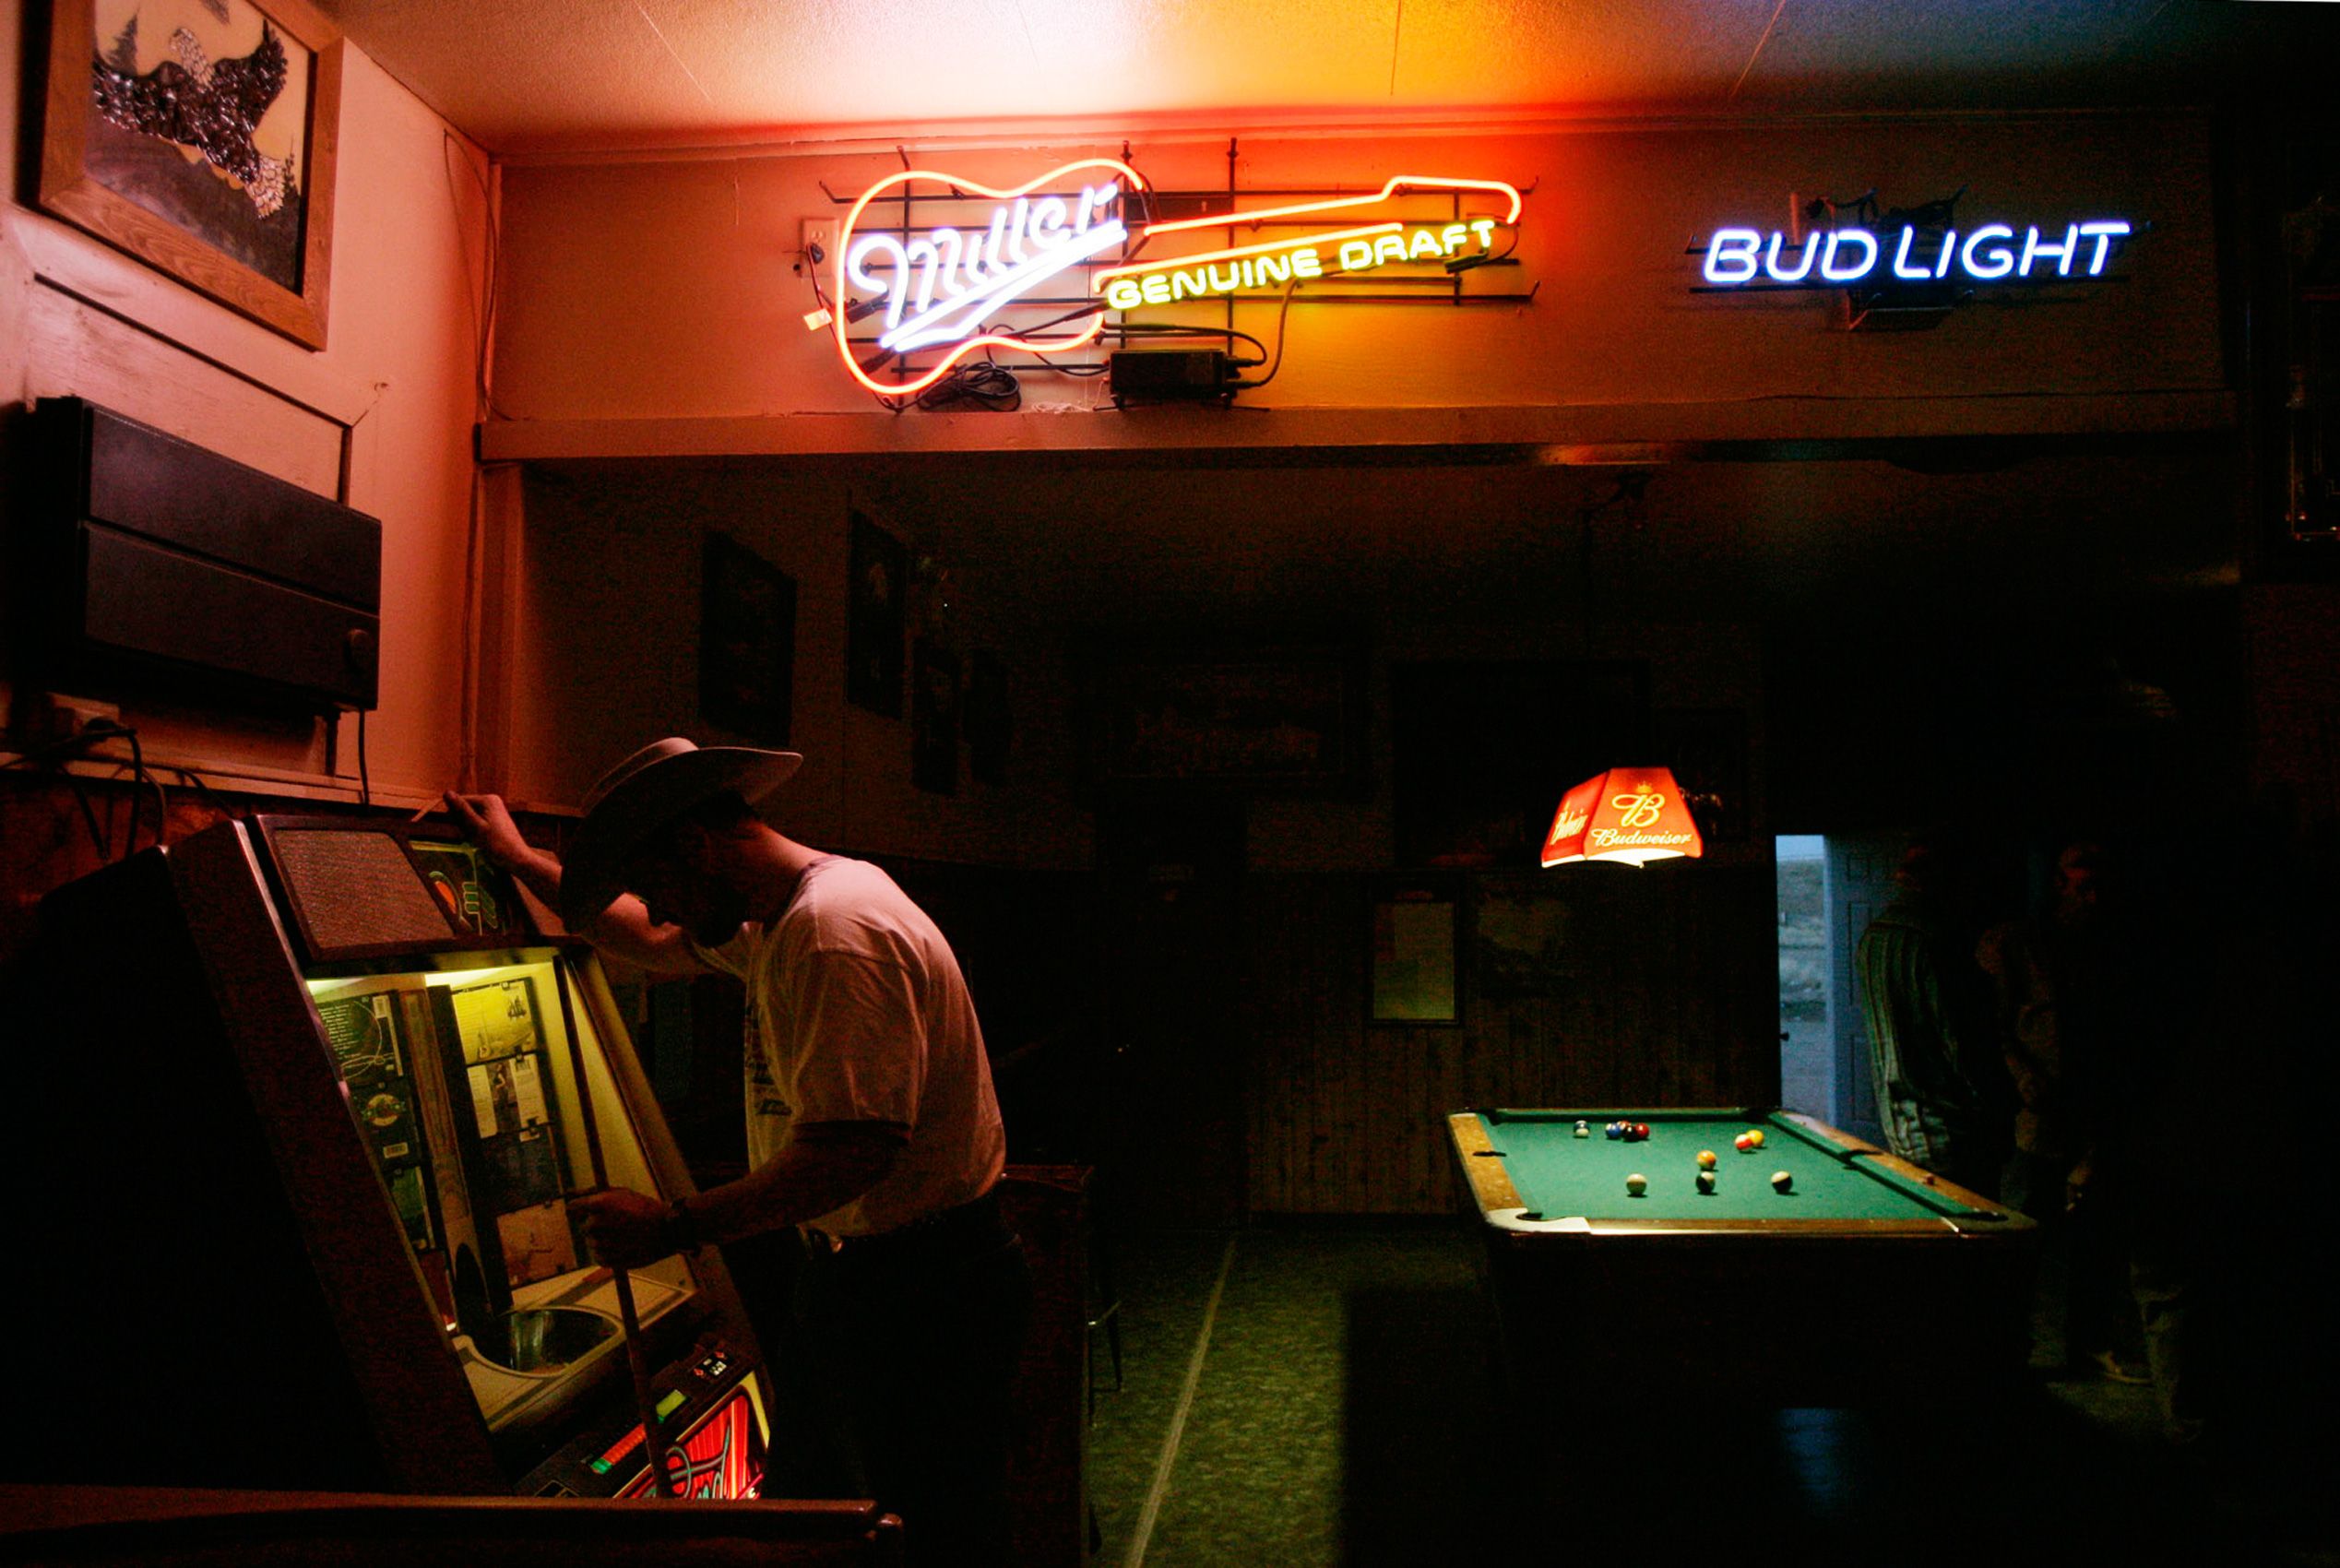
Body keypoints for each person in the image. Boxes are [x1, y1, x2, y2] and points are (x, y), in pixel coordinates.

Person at [445, 738, 1027, 1564]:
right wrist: (517, 858)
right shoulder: (784, 915)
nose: (664, 908)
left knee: (928, 1531)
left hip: (919, 1292)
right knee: (823, 1516)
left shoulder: (833, 930)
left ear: (697, 847)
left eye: (659, 884)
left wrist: (673, 1226)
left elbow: (852, 1153)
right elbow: (643, 941)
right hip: (867, 1277)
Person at [1975, 841, 2148, 1385]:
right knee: (2023, 1235)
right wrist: (2025, 1081)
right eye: (2083, 884)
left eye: (2100, 886)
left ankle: (2091, 1345)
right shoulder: (2015, 944)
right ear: (2057, 884)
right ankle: (2006, 1349)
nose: (2093, 897)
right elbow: (1992, 1028)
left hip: (2096, 1113)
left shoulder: (2108, 948)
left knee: (2096, 1239)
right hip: (2035, 1119)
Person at [1855, 837, 2008, 1197]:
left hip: (1900, 1125)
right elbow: (1963, 1047)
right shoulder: (1939, 940)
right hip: (1954, 1134)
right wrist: (2001, 1110)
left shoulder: (1873, 936)